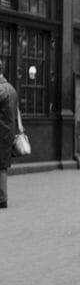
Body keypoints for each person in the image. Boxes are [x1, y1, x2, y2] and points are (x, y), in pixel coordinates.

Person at [0, 59, 18, 209]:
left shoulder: (1, 89)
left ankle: (2, 199)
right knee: (2, 166)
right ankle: (2, 198)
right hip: (8, 133)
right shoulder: (11, 89)